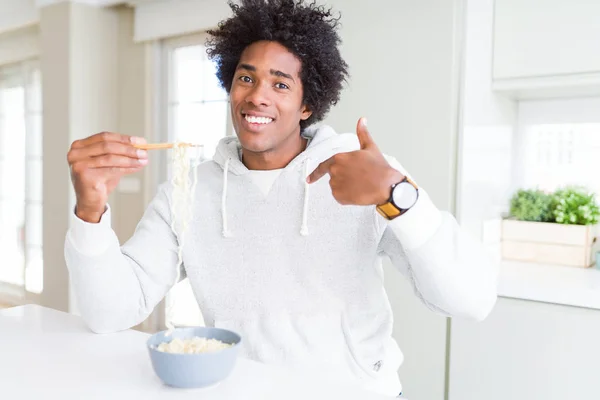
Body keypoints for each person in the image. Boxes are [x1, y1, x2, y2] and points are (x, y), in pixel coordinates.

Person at [65, 0, 497, 396]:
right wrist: (90, 209)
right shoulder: (190, 192)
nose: (257, 96)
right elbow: (111, 312)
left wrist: (398, 195)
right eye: (246, 77)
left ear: (307, 105)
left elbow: (471, 299)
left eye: (281, 84)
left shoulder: (367, 175)